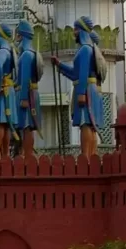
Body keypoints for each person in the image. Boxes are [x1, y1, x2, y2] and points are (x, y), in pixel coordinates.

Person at [52, 16, 105, 158]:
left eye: (75, 29)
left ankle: (86, 156)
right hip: (90, 88)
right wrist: (60, 65)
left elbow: (81, 75)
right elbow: (76, 73)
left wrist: (81, 93)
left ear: (81, 30)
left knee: (86, 123)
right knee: (90, 124)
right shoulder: (87, 49)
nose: (74, 32)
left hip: (86, 89)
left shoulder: (84, 50)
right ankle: (91, 155)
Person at [14, 20, 43, 160]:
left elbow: (25, 78)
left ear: (20, 36)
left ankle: (27, 155)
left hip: (27, 94)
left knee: (26, 127)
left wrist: (24, 97)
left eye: (17, 35)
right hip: (30, 92)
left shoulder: (26, 55)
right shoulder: (30, 53)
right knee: (27, 127)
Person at [0, 24, 18, 159]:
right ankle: (5, 155)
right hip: (8, 87)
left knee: (0, 123)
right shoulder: (9, 49)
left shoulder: (3, 50)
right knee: (5, 124)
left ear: (0, 37)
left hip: (3, 90)